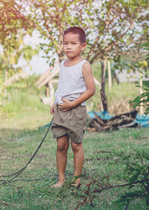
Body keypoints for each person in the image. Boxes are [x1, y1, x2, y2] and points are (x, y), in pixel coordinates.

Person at [50, 27, 95, 188]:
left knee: (76, 144)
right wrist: (54, 102)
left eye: (73, 43)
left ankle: (76, 178)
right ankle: (61, 180)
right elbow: (62, 85)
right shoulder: (63, 64)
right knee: (61, 145)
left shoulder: (84, 65)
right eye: (65, 43)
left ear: (82, 46)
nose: (68, 47)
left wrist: (72, 104)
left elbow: (91, 90)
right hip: (61, 109)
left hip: (75, 110)